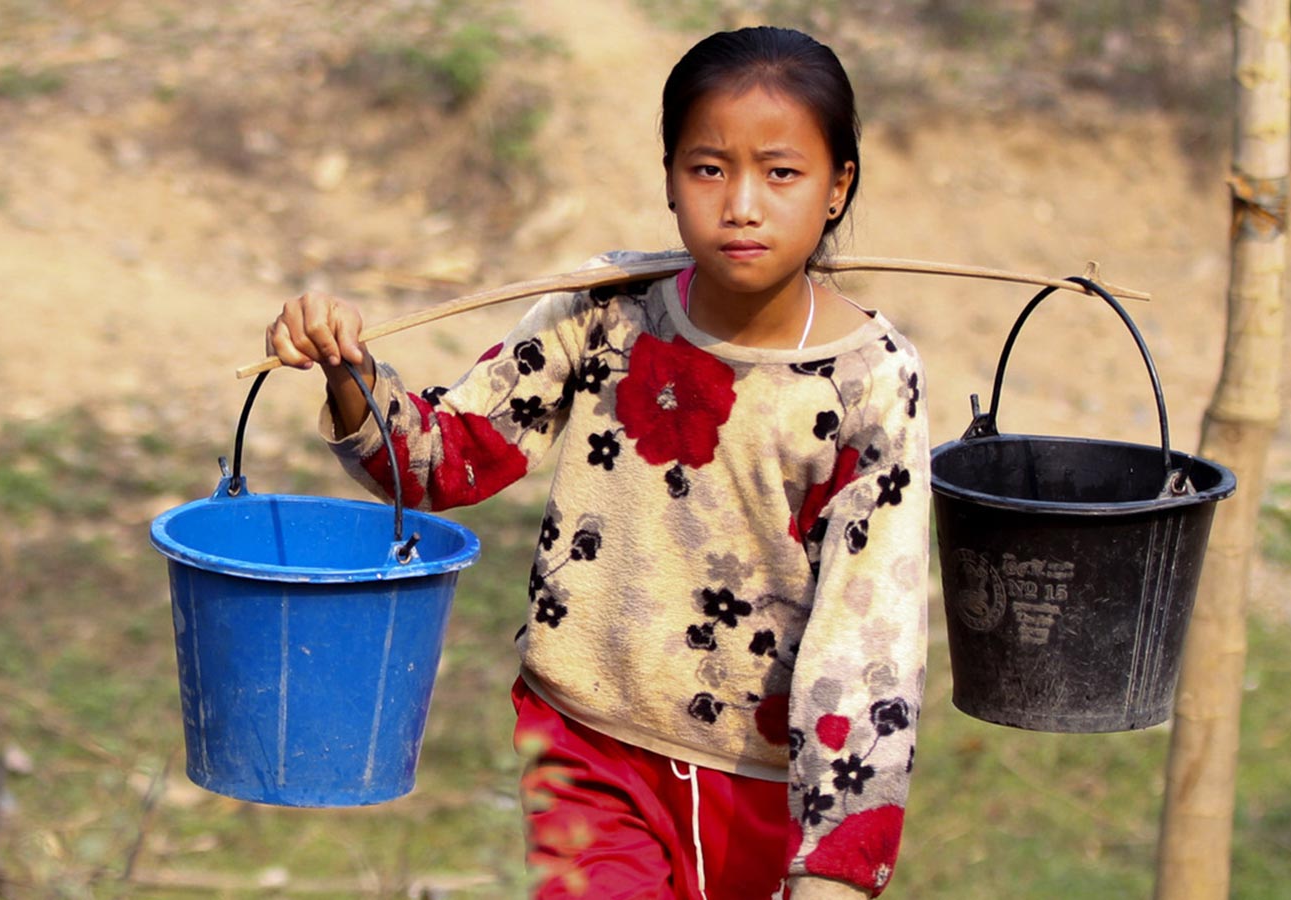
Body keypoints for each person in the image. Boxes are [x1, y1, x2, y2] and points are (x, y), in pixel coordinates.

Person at [266, 25, 930, 900]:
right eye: (707, 168)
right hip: (585, 748)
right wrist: (349, 372)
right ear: (667, 178)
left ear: (837, 186)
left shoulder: (871, 383)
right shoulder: (609, 310)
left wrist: (836, 866)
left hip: (763, 784)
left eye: (781, 172)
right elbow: (450, 458)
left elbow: (869, 633)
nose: (741, 204)